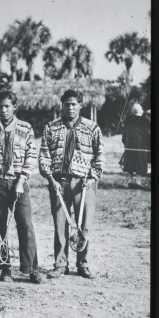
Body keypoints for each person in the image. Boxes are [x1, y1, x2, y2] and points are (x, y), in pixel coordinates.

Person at [39, 89, 105, 280]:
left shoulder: (92, 128)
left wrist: (92, 178)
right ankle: (60, 264)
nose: (70, 107)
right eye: (67, 104)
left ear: (80, 106)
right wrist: (51, 179)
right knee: (60, 224)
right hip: (59, 182)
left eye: (74, 104)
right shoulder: (51, 127)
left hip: (83, 183)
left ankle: (82, 263)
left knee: (84, 225)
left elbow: (100, 156)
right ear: (62, 105)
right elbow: (44, 155)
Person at [0, 91, 42, 284]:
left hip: (18, 183)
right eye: (0, 106)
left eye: (7, 106)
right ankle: (4, 268)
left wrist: (21, 180)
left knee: (25, 224)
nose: (3, 110)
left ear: (14, 107)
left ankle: (31, 268)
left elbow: (31, 156)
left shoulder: (26, 128)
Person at [120, 103, 150, 189]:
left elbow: (124, 134)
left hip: (129, 144)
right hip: (140, 145)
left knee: (130, 161)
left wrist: (125, 142)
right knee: (140, 161)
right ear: (140, 110)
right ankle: (138, 182)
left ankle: (130, 180)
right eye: (141, 108)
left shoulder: (128, 120)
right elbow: (147, 134)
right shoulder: (144, 121)